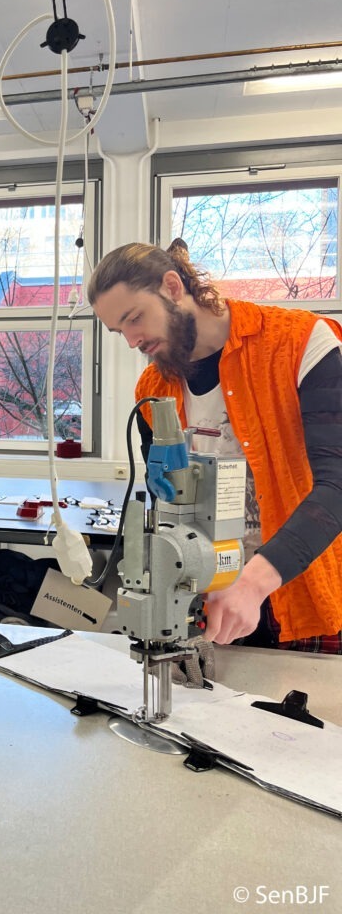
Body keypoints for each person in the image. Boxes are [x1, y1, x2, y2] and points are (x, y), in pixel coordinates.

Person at [87, 238, 342, 652]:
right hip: (210, 596)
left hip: (301, 588)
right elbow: (169, 502)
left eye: (135, 318)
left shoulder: (301, 343)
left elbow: (337, 487)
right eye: (120, 332)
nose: (132, 341)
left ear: (172, 287)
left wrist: (252, 583)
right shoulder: (153, 390)